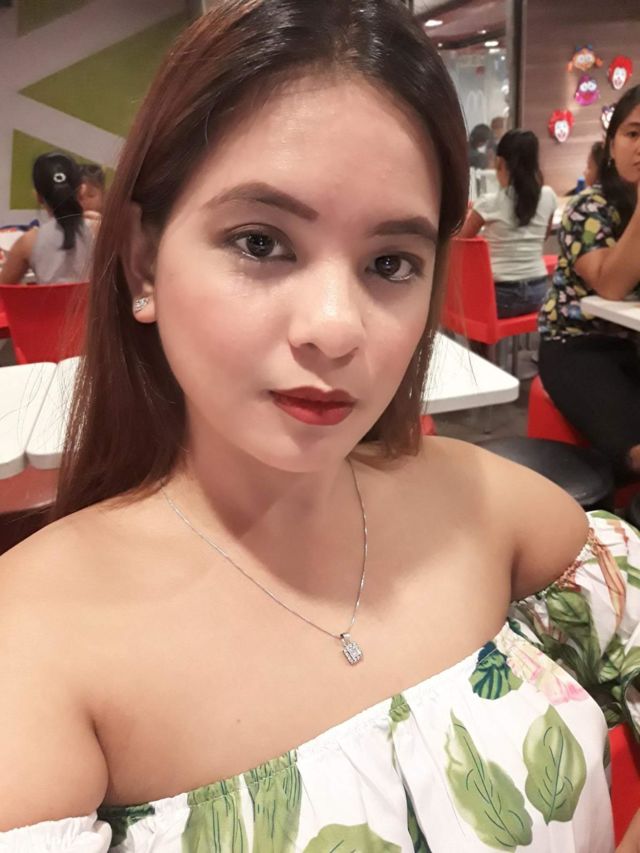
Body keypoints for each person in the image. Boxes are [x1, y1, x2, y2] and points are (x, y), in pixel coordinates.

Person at [1, 3, 640, 851]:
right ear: (145, 262)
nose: (336, 328)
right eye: (261, 242)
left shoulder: (483, 505)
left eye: (390, 262)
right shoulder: (35, 640)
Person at [539, 84, 640, 483]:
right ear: (611, 145)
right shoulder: (588, 207)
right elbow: (610, 286)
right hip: (578, 344)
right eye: (633, 133)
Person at [460, 129, 557, 318]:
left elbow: (461, 238)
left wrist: (467, 215)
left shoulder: (490, 202)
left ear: (500, 163)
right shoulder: (548, 196)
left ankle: (472, 341)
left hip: (500, 296)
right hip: (539, 293)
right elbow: (544, 236)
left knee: (458, 298)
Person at [0, 152, 97, 284]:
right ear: (81, 190)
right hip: (93, 298)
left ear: (38, 197)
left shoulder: (28, 243)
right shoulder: (101, 231)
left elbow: (3, 290)